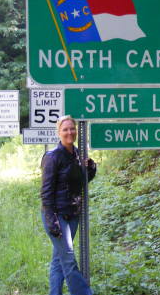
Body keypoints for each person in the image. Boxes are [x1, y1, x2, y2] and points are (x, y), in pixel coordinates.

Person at [41, 115, 96, 295]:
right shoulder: (52, 157)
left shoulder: (77, 154)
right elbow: (46, 193)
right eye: (65, 129)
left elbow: (79, 181)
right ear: (59, 132)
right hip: (57, 216)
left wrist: (90, 168)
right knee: (69, 260)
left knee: (59, 260)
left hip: (72, 214)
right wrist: (51, 220)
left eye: (72, 128)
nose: (69, 132)